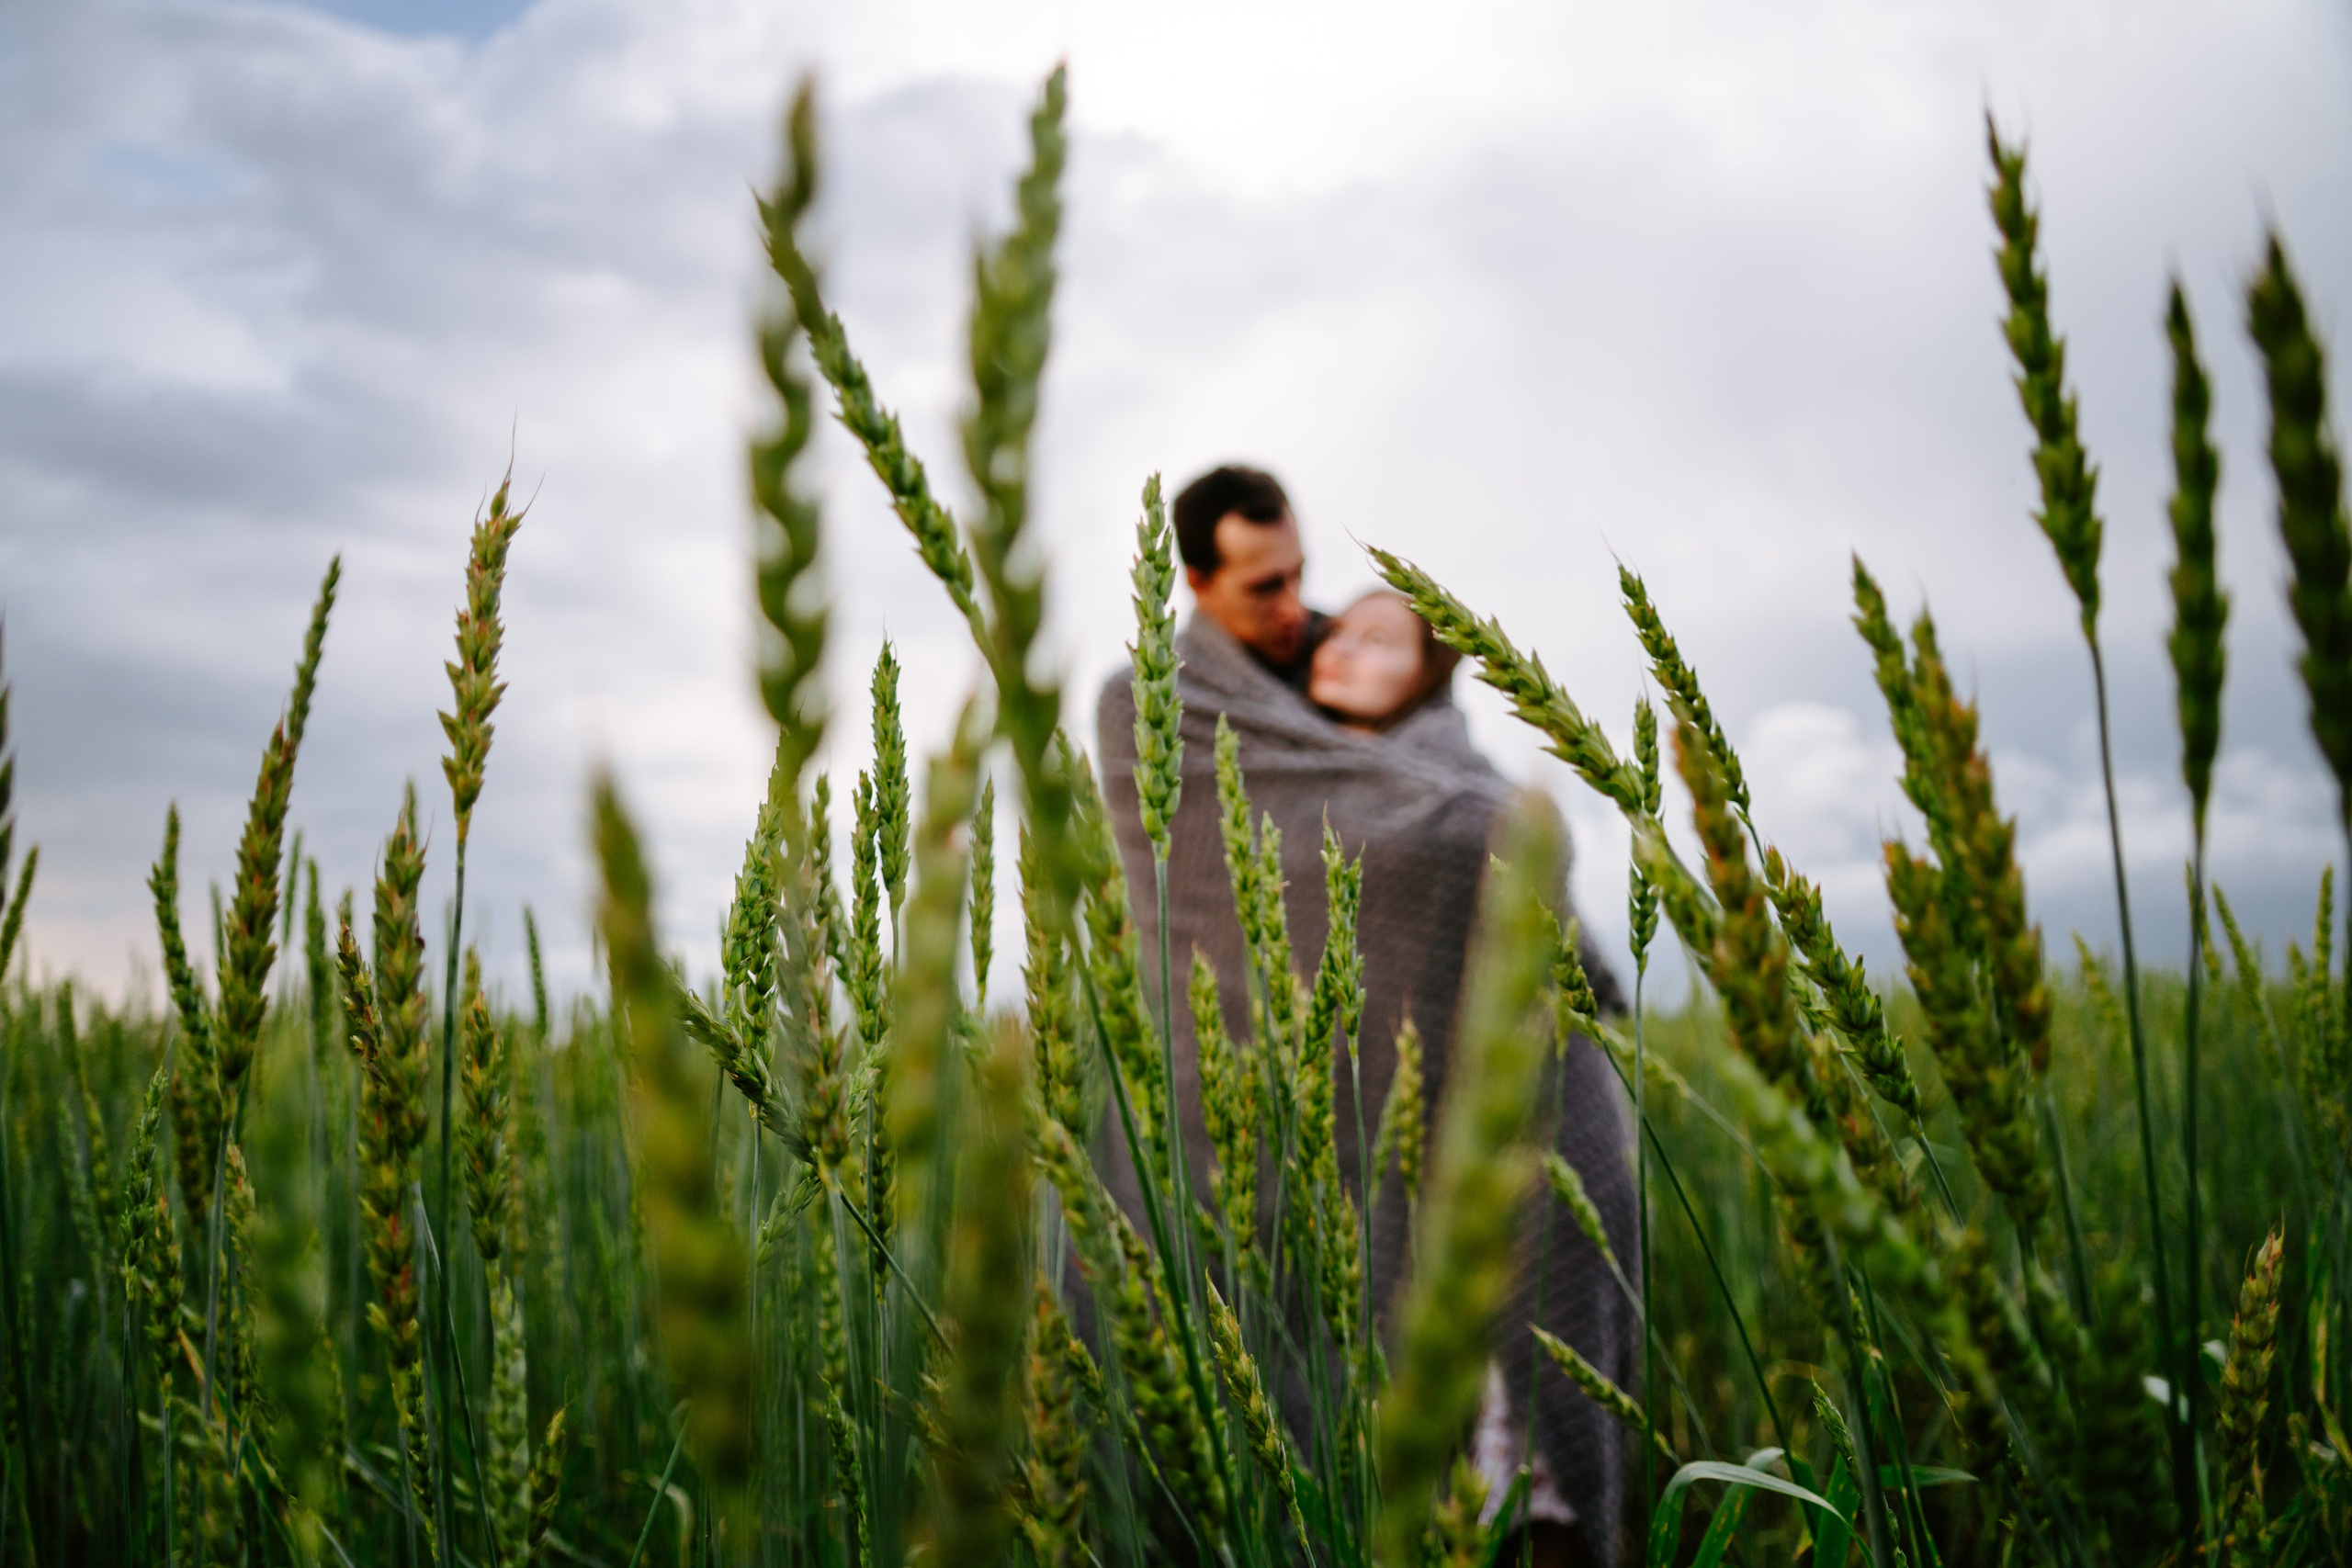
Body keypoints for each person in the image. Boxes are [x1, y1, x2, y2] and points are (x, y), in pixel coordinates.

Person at [1096, 465, 1639, 1567]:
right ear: (1195, 581)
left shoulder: (1364, 701)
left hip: (1424, 1090)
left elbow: (1447, 823)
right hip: (1233, 1098)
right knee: (1259, 1389)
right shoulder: (1157, 701)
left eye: (1299, 573)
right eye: (1262, 587)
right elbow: (1206, 886)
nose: (1300, 609)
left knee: (1468, 1365)